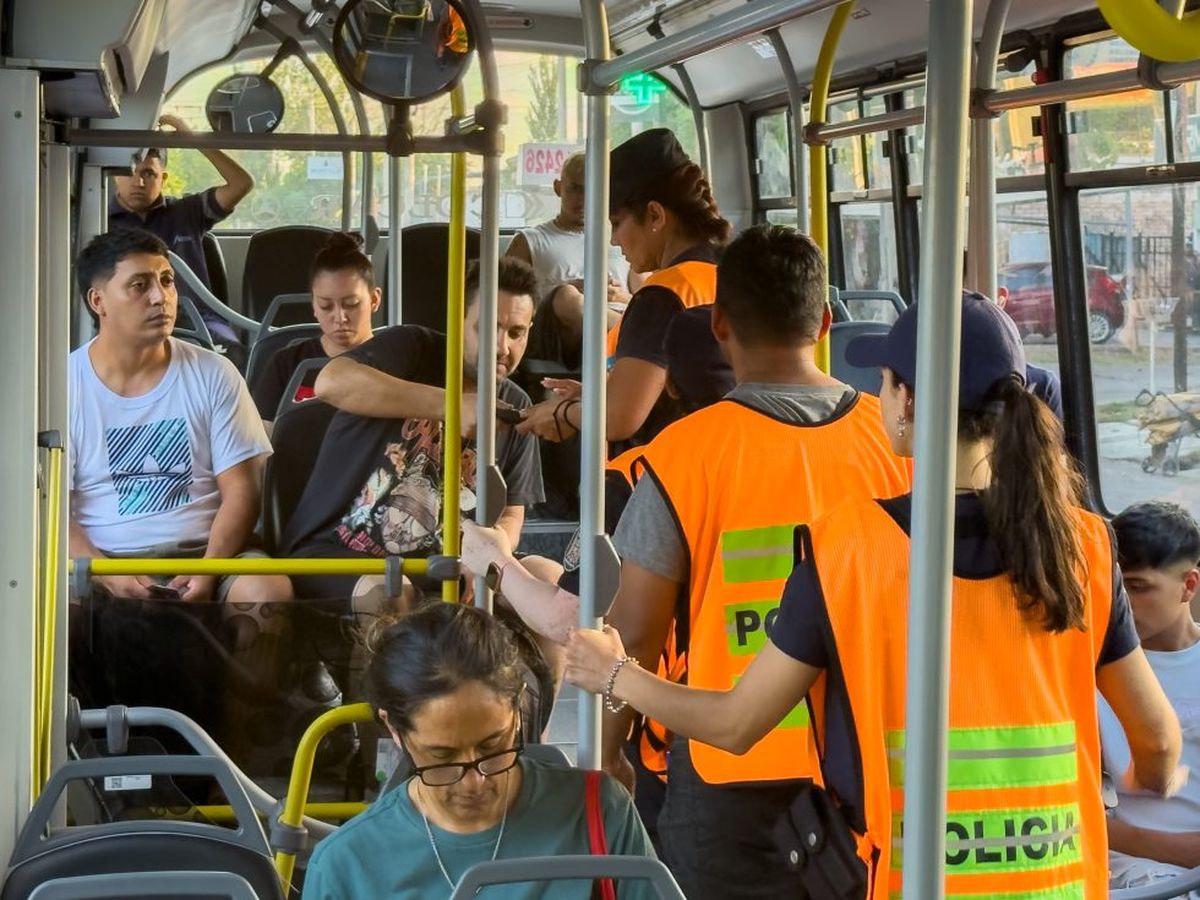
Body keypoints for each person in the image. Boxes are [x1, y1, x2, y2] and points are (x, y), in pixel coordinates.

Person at [564, 293, 1185, 899]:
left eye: (886, 381)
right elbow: (1156, 738)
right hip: (1060, 878)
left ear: (908, 399)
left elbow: (735, 724)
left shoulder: (848, 548)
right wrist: (1139, 782)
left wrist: (614, 673)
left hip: (912, 878)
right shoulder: (1083, 544)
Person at [526, 226, 902, 898]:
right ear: (821, 323)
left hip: (728, 758)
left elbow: (635, 635)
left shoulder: (681, 456)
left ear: (721, 324)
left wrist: (608, 752)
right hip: (869, 756)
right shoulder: (893, 442)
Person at [68, 228, 292, 759]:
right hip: (101, 559)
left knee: (268, 594)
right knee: (50, 607)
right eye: (140, 284)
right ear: (98, 300)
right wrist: (108, 570)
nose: (160, 297)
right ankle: (89, 760)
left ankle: (234, 756)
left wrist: (213, 567)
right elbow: (54, 508)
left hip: (209, 548)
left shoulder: (212, 373)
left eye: (167, 282)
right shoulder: (63, 385)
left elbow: (242, 490)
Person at [302, 601, 658, 899]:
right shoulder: (346, 867)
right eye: (442, 757)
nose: (474, 783)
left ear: (519, 709)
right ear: (394, 729)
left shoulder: (599, 811)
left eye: (493, 745)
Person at [280, 257, 545, 613]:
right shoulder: (412, 350)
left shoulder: (515, 403)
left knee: (548, 576)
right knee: (390, 593)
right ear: (458, 321)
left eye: (516, 333)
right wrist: (452, 405)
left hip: (442, 564)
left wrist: (494, 552)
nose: (502, 347)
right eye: (487, 329)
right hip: (340, 550)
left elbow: (511, 512)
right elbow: (331, 382)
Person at [518, 128, 731, 452]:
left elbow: (618, 418)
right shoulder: (732, 273)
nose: (614, 240)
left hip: (658, 474)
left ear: (655, 215)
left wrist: (563, 411)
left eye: (617, 223)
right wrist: (599, 393)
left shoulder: (661, 297)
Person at [1101, 501, 1200, 894]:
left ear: (1188, 586)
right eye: (1116, 586)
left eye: (1138, 587)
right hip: (1127, 864)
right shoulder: (1094, 668)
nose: (1120, 603)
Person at [108, 115, 255, 358]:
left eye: (149, 174)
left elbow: (241, 183)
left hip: (199, 320)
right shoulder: (97, 220)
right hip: (129, 321)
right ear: (115, 174)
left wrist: (192, 139)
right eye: (131, 172)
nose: (139, 182)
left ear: (162, 178)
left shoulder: (188, 211)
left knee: (236, 358)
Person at [506, 152, 635, 373]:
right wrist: (569, 293)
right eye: (575, 188)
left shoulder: (623, 236)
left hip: (616, 318)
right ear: (558, 188)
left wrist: (617, 296)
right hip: (558, 334)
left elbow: (646, 296)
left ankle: (627, 337)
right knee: (567, 296)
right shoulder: (531, 240)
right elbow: (504, 302)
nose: (583, 198)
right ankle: (638, 337)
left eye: (592, 189)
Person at [250, 232, 381, 429]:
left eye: (351, 304)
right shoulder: (286, 364)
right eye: (326, 306)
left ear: (374, 300)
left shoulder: (398, 360)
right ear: (313, 305)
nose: (340, 318)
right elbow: (262, 440)